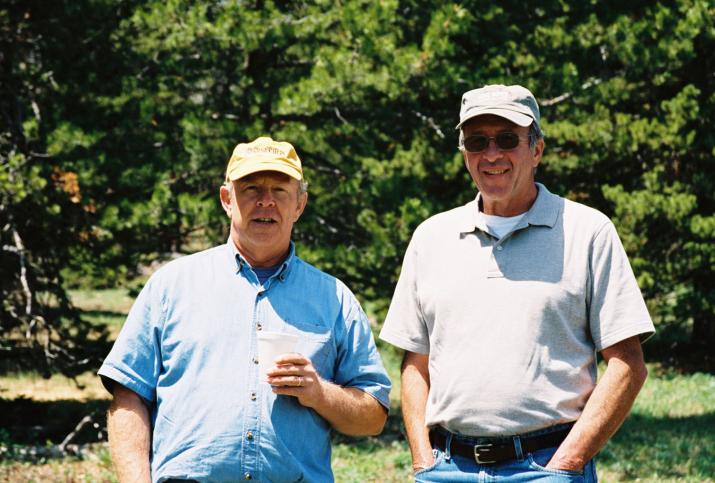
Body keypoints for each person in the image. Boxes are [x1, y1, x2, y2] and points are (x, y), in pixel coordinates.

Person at [379, 84, 654, 482]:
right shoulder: (431, 237)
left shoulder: (588, 231)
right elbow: (415, 365)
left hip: (546, 468)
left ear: (537, 149)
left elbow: (628, 363)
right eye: (477, 141)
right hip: (447, 469)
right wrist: (424, 463)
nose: (492, 154)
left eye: (508, 139)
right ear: (464, 153)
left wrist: (565, 465)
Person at [99, 136, 391, 483]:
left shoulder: (334, 299)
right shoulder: (171, 286)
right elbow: (128, 395)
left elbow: (373, 416)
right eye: (251, 188)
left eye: (280, 190)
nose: (265, 201)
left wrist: (319, 393)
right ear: (227, 199)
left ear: (299, 204)